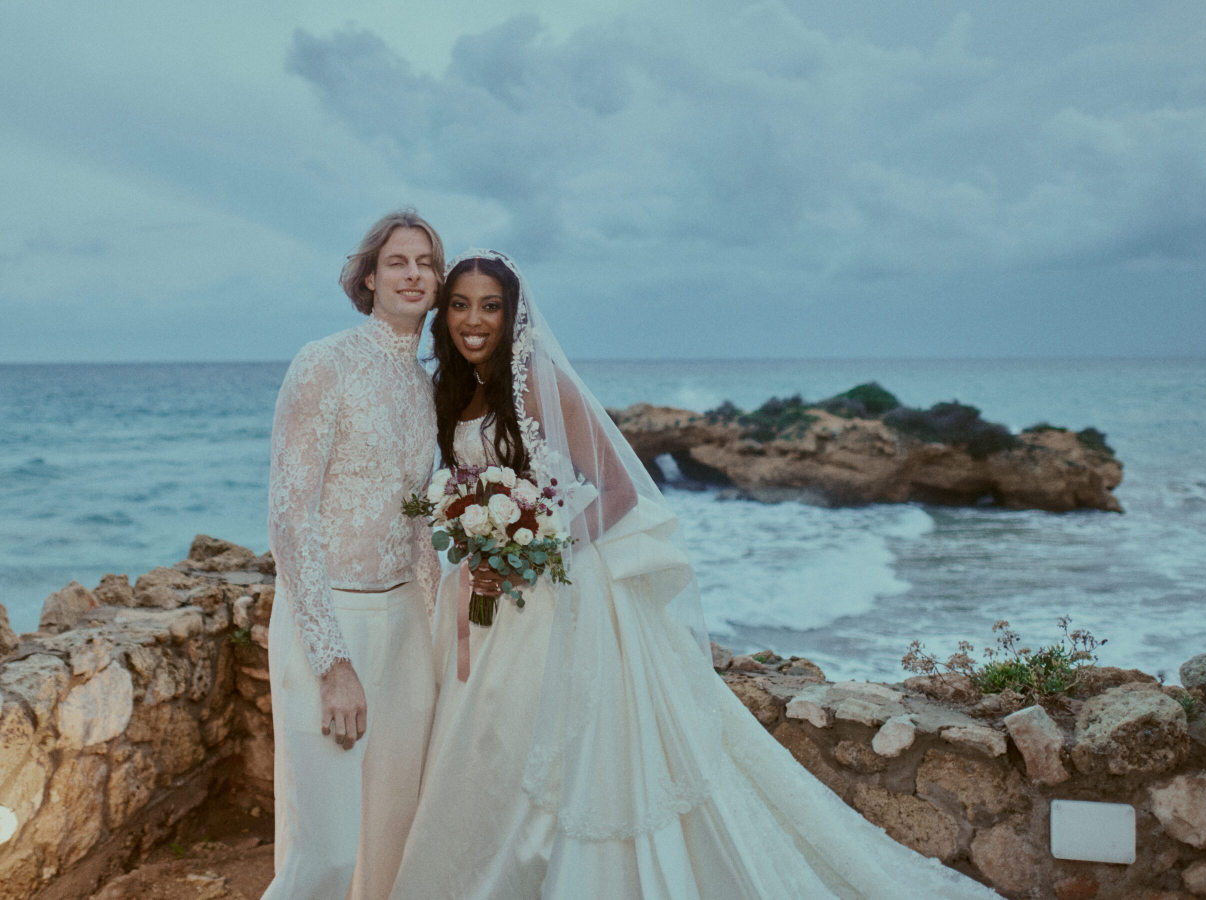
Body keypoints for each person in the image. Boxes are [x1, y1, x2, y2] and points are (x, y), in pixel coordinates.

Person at [388, 249, 1005, 899]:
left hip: (549, 596)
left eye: (491, 305)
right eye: (460, 304)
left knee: (533, 749)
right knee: (482, 745)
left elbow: (620, 489)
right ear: (443, 314)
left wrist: (530, 552)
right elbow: (459, 486)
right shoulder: (450, 387)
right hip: (481, 591)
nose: (474, 318)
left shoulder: (539, 380)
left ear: (514, 314)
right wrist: (473, 537)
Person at [262, 209, 445, 900]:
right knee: (329, 851)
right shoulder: (324, 363)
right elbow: (290, 513)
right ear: (368, 276)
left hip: (404, 626)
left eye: (426, 262)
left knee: (388, 844)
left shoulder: (427, 388)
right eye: (398, 261)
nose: (414, 274)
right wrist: (332, 661)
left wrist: (436, 635)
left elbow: (418, 522)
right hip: (328, 621)